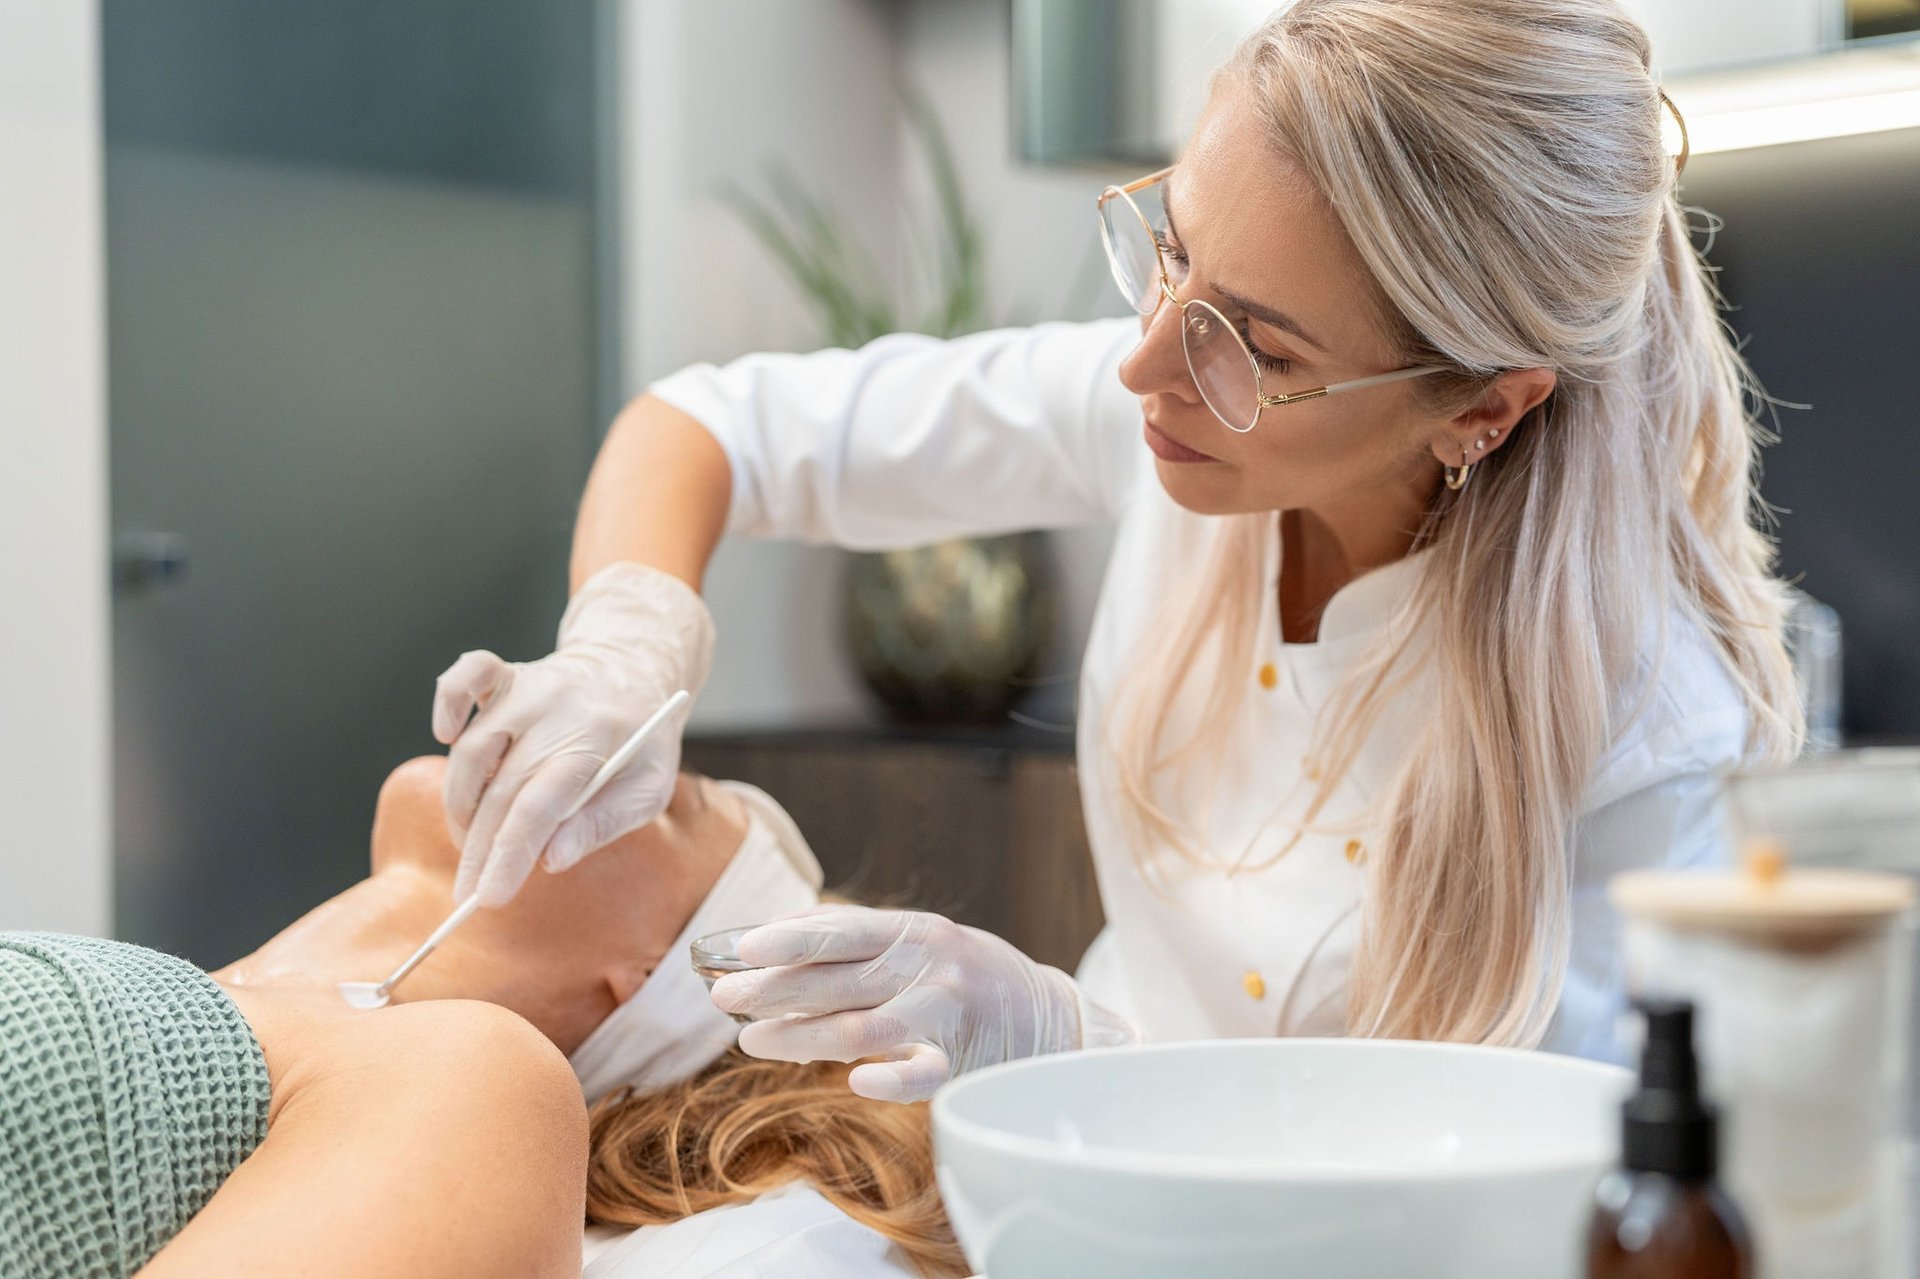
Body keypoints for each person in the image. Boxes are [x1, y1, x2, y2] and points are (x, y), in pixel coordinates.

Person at [432, 0, 1803, 1098]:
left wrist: (1062, 1042)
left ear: (1482, 407)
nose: (1146, 364)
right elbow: (709, 427)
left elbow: (1517, 1202)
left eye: (1259, 348)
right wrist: (627, 643)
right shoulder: (1163, 403)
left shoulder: (1650, 720)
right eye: (1173, 251)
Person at [0, 758, 964, 1279]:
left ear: (645, 971)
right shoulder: (232, 1009)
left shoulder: (475, 1087)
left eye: (668, 800)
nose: (570, 738)